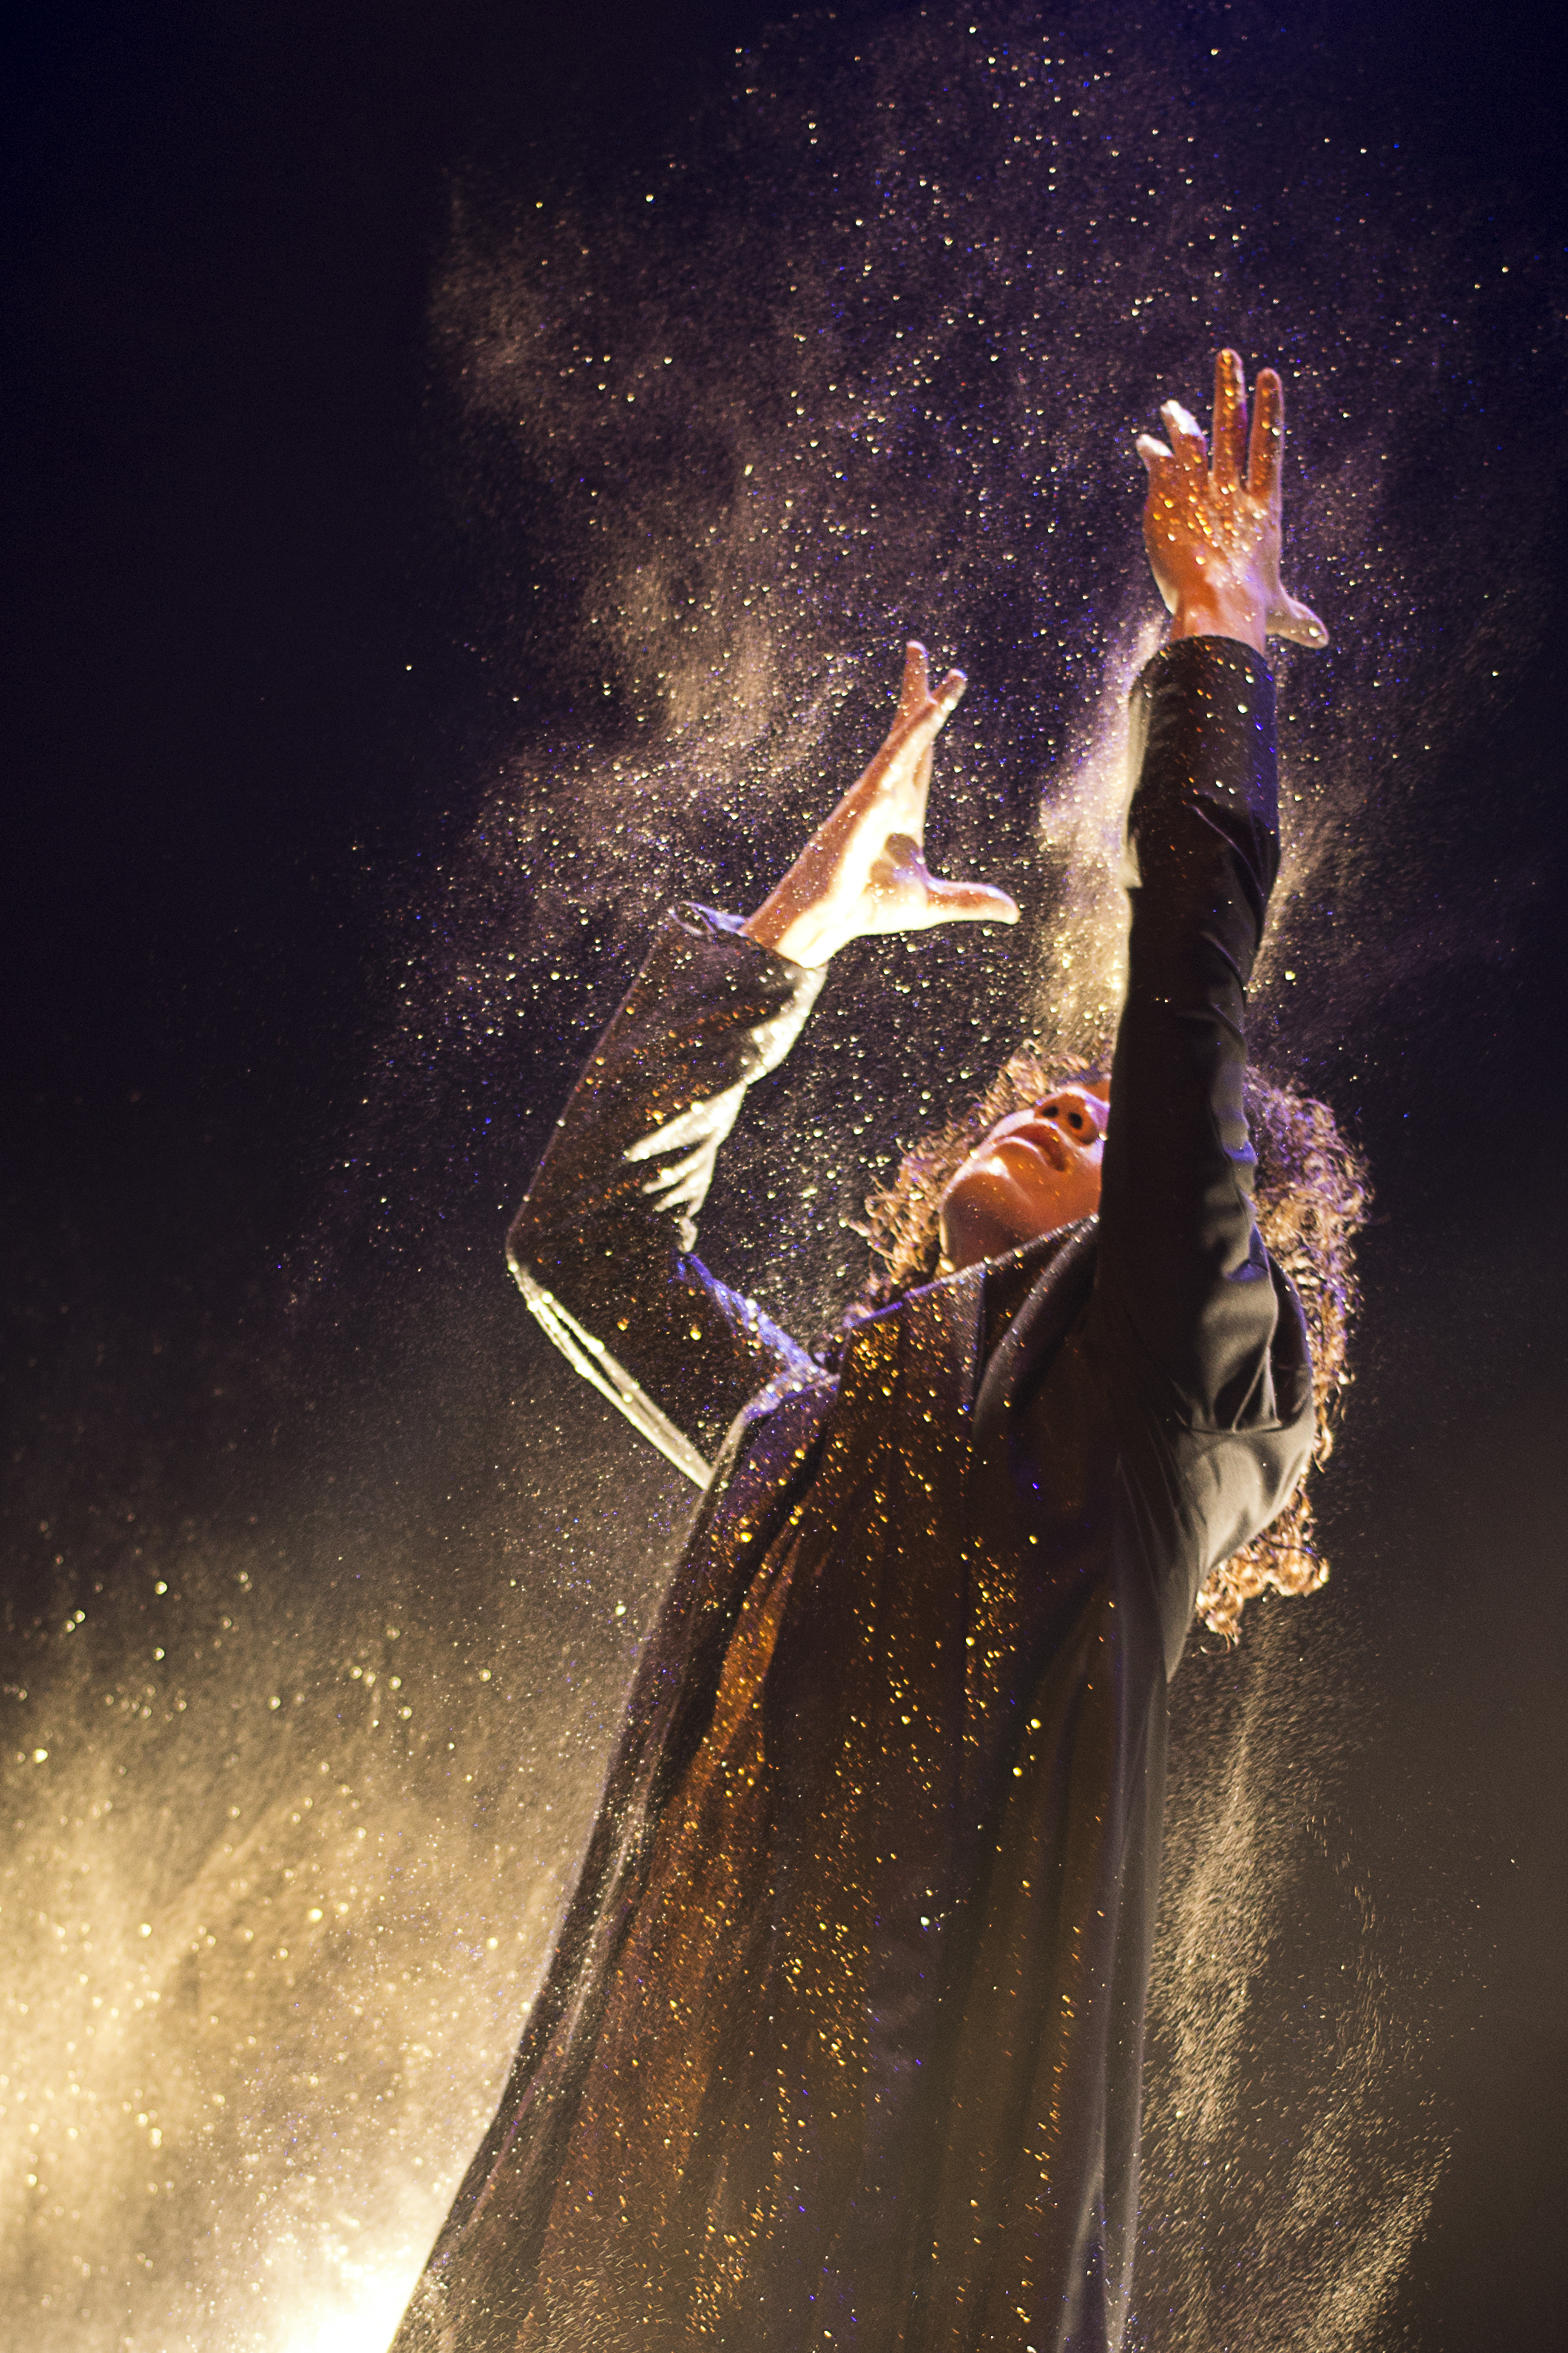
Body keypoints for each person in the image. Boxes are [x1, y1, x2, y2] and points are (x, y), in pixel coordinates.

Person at [392, 352, 1364, 2353]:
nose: (1076, 1102)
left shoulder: (1156, 1430)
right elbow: (587, 1243)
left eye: (1130, 1132)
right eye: (1065, 1094)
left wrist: (1216, 657)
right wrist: (790, 938)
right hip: (595, 2279)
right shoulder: (822, 1426)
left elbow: (1186, 1052)